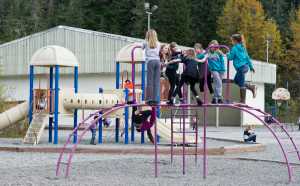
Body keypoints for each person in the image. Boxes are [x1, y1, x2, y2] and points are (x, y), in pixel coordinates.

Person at [227, 33, 257, 103]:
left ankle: (242, 101)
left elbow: (230, 58)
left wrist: (228, 54)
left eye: (232, 41)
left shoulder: (234, 48)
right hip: (245, 67)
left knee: (241, 83)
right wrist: (251, 67)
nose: (231, 42)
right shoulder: (243, 47)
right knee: (236, 81)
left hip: (241, 68)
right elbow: (247, 58)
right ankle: (251, 87)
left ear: (235, 41)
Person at [142, 29, 161, 106]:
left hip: (150, 61)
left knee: (150, 81)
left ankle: (149, 99)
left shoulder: (146, 43)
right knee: (156, 82)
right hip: (157, 61)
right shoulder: (158, 43)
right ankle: (155, 99)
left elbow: (141, 48)